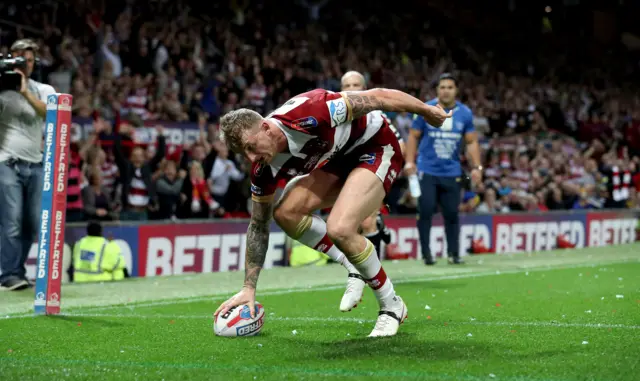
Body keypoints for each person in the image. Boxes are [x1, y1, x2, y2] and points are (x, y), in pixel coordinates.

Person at [214, 87, 451, 337]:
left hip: (375, 145)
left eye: (251, 147)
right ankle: (352, 263)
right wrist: (249, 287)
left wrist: (425, 110)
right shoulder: (263, 168)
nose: (252, 158)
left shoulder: (312, 111)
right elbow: (258, 225)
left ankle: (392, 306)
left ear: (265, 127)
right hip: (336, 161)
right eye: (244, 154)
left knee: (340, 228)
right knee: (284, 213)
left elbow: (379, 96)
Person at [405, 73, 483, 265]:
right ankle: (426, 254)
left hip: (452, 171)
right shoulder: (426, 109)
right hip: (427, 170)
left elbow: (471, 142)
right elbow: (413, 136)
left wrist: (477, 167)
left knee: (452, 213)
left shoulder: (465, 113)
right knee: (425, 210)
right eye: (442, 87)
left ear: (456, 90)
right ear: (437, 90)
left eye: (449, 87)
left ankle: (454, 254)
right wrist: (409, 162)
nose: (446, 91)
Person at [0, 39, 55, 291]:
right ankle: (10, 274)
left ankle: (16, 270)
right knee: (12, 219)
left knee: (32, 222)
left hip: (35, 163)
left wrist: (24, 91)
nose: (24, 64)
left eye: (29, 60)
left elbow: (50, 113)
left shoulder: (42, 88)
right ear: (10, 58)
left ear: (35, 63)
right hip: (6, 161)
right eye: (19, 59)